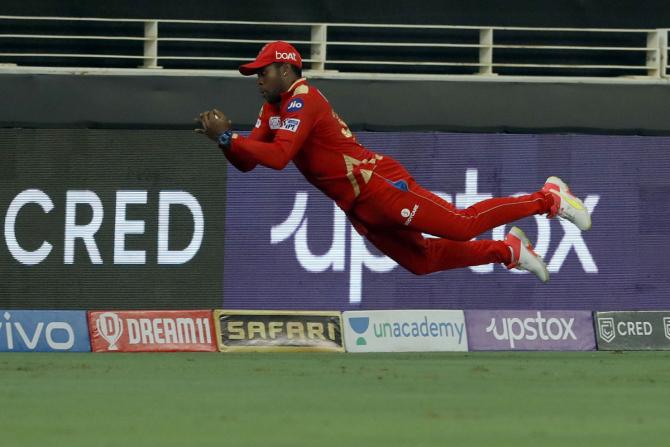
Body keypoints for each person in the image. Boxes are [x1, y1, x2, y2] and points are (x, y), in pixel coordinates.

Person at [195, 41, 591, 283]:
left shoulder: (304, 99)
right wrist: (228, 145)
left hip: (377, 185)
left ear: (285, 69)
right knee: (421, 262)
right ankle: (507, 252)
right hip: (356, 205)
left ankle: (549, 198)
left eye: (261, 71)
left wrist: (230, 138)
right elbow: (248, 163)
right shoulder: (273, 107)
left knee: (460, 224)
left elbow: (279, 157)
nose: (257, 78)